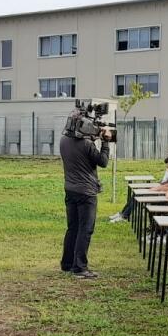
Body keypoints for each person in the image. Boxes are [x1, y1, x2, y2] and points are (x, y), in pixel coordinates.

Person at [59, 111, 112, 279]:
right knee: (85, 229)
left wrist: (93, 138)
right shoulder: (86, 145)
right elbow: (102, 161)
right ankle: (80, 268)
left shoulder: (64, 140)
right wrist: (105, 142)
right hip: (86, 192)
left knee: (72, 228)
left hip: (70, 189)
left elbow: (81, 153)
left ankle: (67, 264)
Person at [109, 145, 168, 223]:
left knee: (140, 195)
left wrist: (158, 188)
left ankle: (124, 216)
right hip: (164, 191)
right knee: (137, 193)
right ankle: (123, 214)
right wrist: (158, 186)